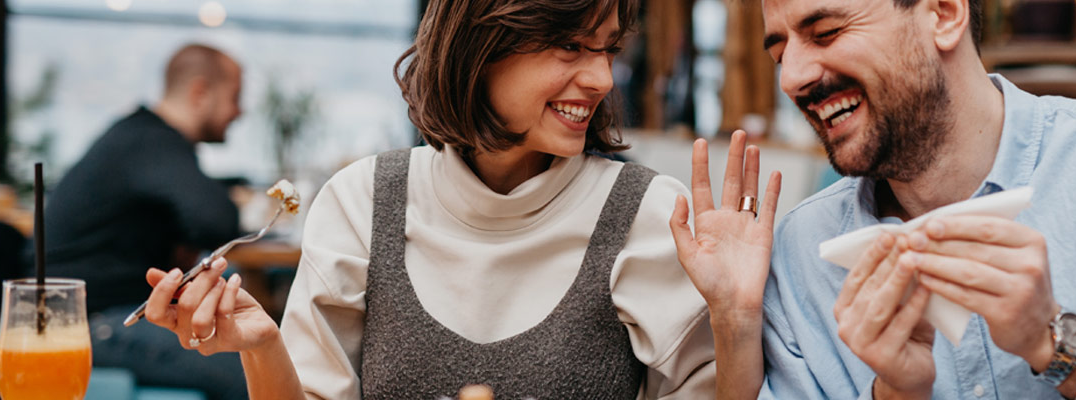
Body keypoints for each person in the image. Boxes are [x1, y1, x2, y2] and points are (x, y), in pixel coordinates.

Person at [139, 0, 778, 398]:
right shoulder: (363, 201)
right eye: (570, 46)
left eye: (608, 48)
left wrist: (735, 319)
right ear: (482, 44)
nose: (603, 78)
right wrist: (263, 348)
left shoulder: (648, 212)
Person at [676, 0, 1076, 398]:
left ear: (943, 13)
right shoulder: (797, 259)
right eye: (780, 56)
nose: (791, 78)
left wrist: (1059, 347)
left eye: (826, 33)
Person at [43, 43, 247, 399]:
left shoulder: (137, 138)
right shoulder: (152, 142)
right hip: (92, 324)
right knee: (253, 367)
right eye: (234, 97)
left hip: (97, 315)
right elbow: (217, 219)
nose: (239, 112)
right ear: (200, 91)